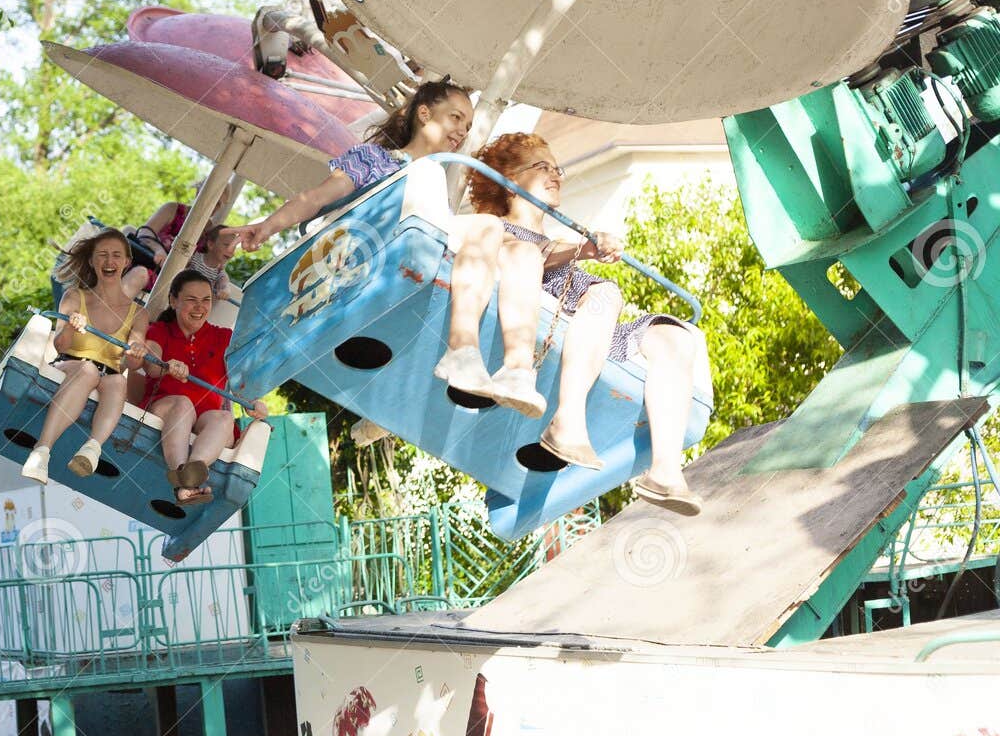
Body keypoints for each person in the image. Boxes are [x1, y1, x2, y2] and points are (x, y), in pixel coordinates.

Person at [228, 80, 547, 415]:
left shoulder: (437, 185)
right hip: (368, 247)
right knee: (436, 183)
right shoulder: (377, 160)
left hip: (422, 241)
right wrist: (268, 226)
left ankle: (511, 367)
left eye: (467, 126)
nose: (462, 132)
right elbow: (317, 198)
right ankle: (462, 350)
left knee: (498, 231)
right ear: (424, 114)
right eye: (455, 118)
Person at [468, 133, 708, 514]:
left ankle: (665, 472)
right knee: (605, 294)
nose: (555, 175)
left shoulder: (561, 244)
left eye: (556, 168)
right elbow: (527, 257)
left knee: (674, 337)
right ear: (510, 180)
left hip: (590, 333)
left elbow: (554, 253)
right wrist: (584, 248)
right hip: (543, 325)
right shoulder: (495, 229)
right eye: (541, 167)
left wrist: (583, 250)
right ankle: (568, 418)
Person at [25, 229, 150, 484]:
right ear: (92, 261)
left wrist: (136, 352)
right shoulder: (74, 296)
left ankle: (92, 448)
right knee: (88, 371)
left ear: (127, 262)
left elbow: (131, 364)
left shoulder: (139, 313)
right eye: (102, 255)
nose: (109, 261)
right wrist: (71, 325)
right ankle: (41, 451)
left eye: (116, 255)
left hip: (109, 375)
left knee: (118, 381)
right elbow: (60, 345)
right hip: (71, 366)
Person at [140, 270, 269, 504]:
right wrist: (166, 365)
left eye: (206, 300)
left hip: (205, 419)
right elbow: (151, 365)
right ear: (173, 301)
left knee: (224, 418)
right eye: (191, 300)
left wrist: (254, 403)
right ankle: (184, 479)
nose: (199, 307)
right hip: (166, 408)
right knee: (183, 403)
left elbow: (241, 384)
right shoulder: (160, 330)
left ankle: (190, 475)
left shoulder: (224, 338)